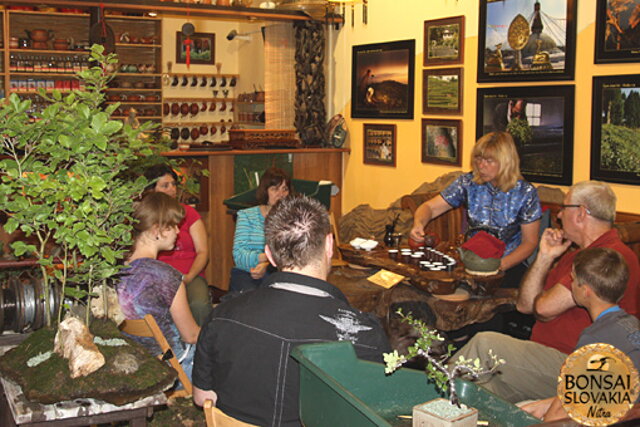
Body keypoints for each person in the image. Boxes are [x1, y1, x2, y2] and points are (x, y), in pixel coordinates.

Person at [193, 196, 391, 426]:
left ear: (269, 254)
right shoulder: (366, 334)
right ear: (329, 245)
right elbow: (377, 413)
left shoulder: (221, 315)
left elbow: (202, 398)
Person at [453, 180, 640, 403]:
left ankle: (421, 399)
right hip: (543, 362)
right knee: (480, 387)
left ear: (580, 213)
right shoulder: (575, 254)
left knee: (484, 344)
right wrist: (544, 256)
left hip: (580, 368)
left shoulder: (608, 258)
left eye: (565, 208)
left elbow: (543, 309)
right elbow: (525, 305)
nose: (559, 215)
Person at [522, 247, 640, 421]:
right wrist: (544, 404)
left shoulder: (595, 338)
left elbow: (556, 418)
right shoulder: (632, 325)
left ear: (586, 292)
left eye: (573, 279)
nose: (570, 283)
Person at [410, 131, 541, 286]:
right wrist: (419, 223)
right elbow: (429, 207)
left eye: (489, 160)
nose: (481, 165)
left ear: (506, 162)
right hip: (471, 261)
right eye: (479, 158)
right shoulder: (468, 183)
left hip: (508, 264)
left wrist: (499, 266)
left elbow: (530, 242)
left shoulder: (525, 193)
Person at [117, 192, 201, 380]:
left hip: (135, 367)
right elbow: (191, 335)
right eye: (173, 226)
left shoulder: (115, 272)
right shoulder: (166, 277)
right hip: (174, 368)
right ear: (157, 230)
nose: (179, 232)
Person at [145, 164, 211, 326]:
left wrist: (189, 277)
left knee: (198, 304)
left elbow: (203, 252)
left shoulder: (189, 213)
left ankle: (201, 346)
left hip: (191, 275)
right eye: (165, 186)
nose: (172, 189)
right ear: (152, 190)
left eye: (173, 184)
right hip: (158, 277)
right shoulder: (147, 217)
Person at [230, 167, 292, 292]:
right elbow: (238, 256)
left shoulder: (291, 218)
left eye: (284, 189)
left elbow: (292, 255)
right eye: (275, 189)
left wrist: (266, 265)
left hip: (278, 274)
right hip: (247, 273)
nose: (281, 194)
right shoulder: (246, 216)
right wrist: (266, 258)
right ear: (265, 191)